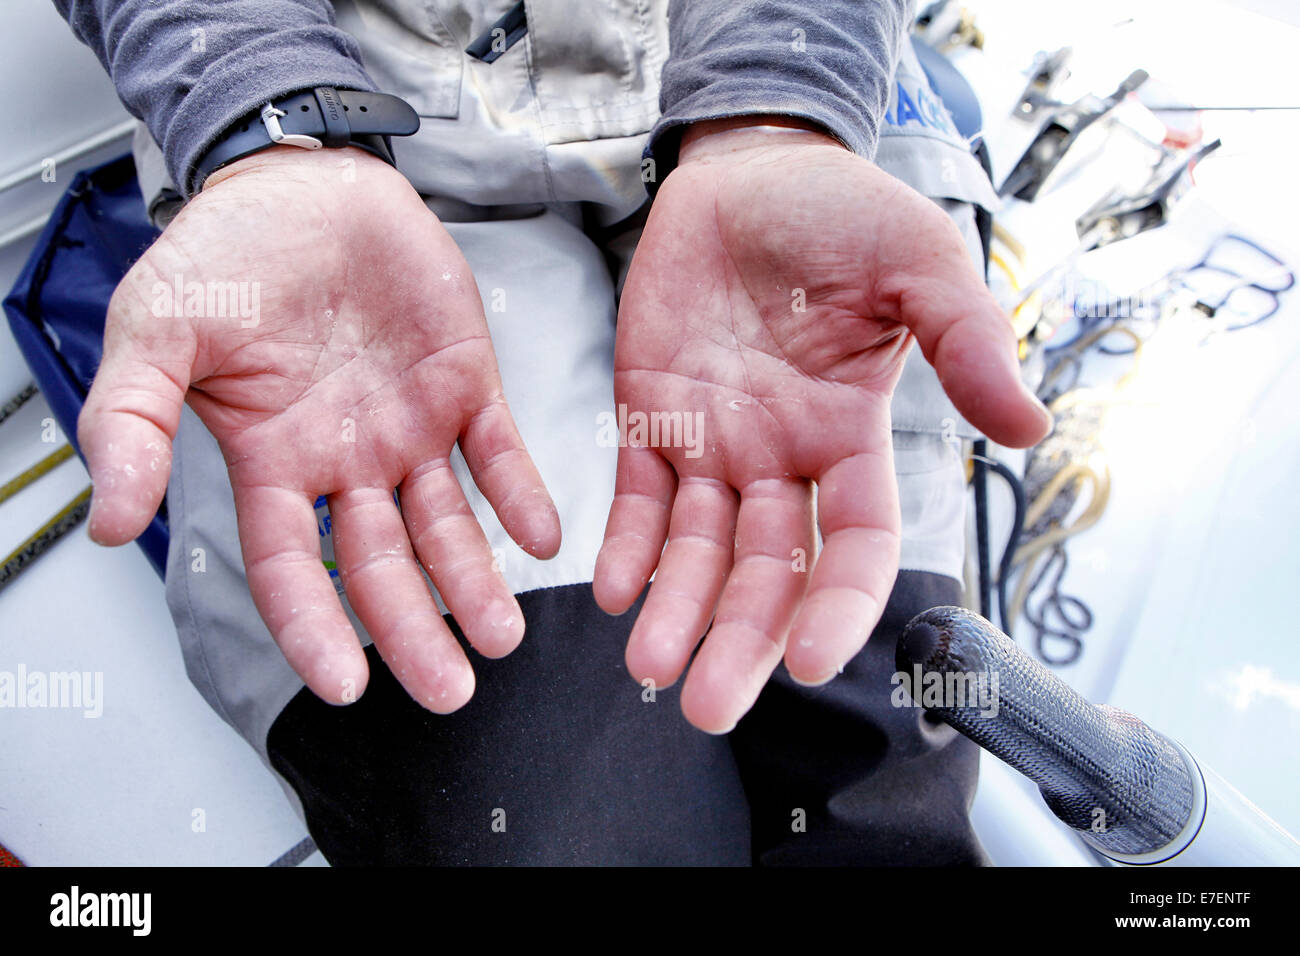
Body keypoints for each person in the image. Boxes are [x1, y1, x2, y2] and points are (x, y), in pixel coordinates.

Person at [55, 0, 1051, 864]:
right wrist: (259, 121)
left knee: (878, 803)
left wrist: (776, 105)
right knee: (531, 823)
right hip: (364, 149)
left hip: (798, 131)